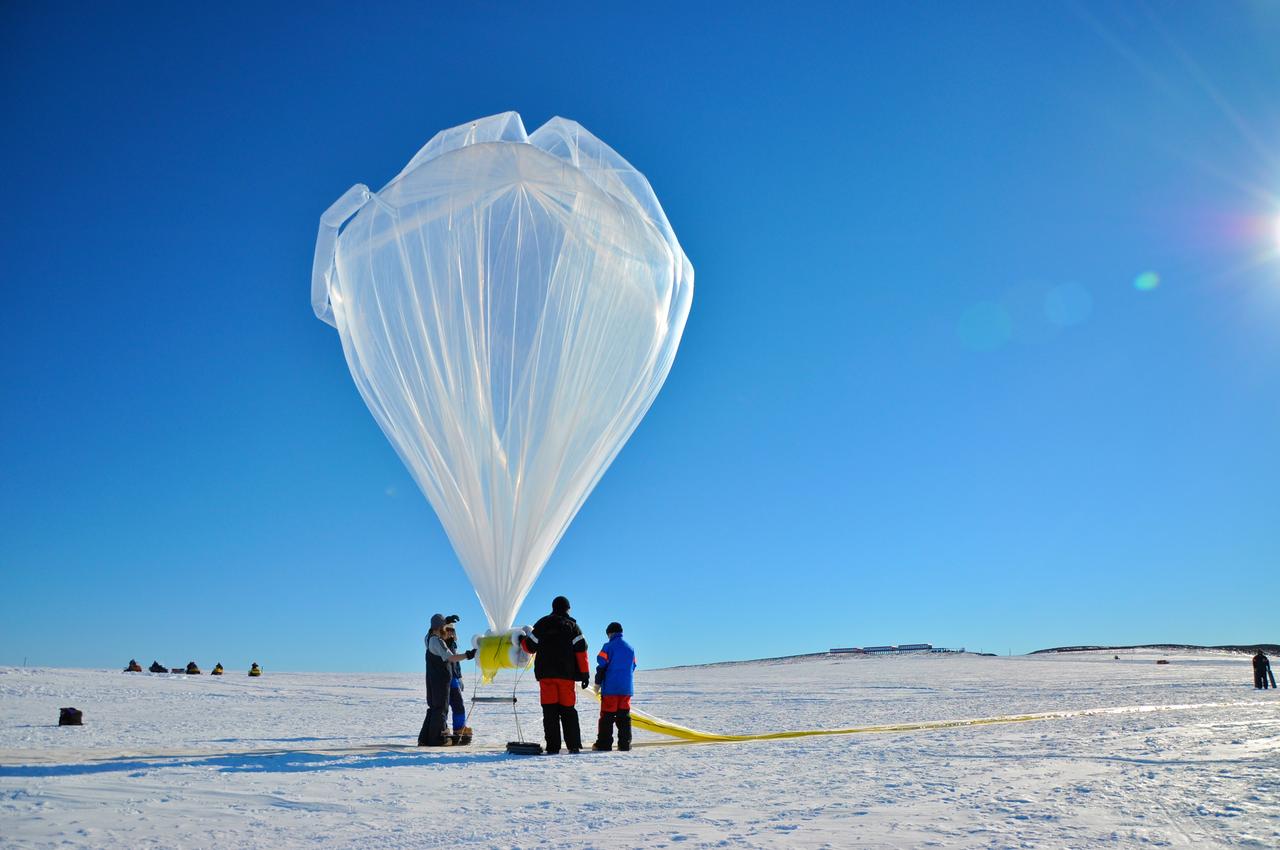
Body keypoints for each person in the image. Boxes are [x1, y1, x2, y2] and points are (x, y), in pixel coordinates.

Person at [519, 596, 589, 753]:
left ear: (553, 608)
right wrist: (585, 675)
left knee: (550, 711)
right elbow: (581, 652)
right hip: (566, 677)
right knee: (568, 710)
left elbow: (529, 647)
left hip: (546, 677)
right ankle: (574, 746)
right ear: (568, 609)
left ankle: (553, 747)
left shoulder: (542, 623)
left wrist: (522, 640)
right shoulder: (573, 627)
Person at [419, 613, 475, 746]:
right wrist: (468, 655)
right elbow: (451, 658)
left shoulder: (428, 638)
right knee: (440, 708)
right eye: (444, 626)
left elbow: (432, 631)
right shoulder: (437, 641)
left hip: (433, 679)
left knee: (434, 708)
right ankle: (437, 739)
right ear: (439, 627)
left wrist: (445, 621)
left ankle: (425, 738)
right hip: (440, 680)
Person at [592, 622, 636, 752]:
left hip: (611, 689)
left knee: (607, 717)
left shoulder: (608, 646)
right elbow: (633, 666)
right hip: (626, 689)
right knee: (624, 717)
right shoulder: (630, 648)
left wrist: (597, 683)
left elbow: (601, 664)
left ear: (610, 633)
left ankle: (603, 744)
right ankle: (625, 744)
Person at [443, 623, 472, 745]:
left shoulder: (452, 644)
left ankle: (459, 728)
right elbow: (452, 659)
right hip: (446, 678)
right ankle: (445, 728)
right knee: (445, 706)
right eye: (448, 630)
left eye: (452, 630)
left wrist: (459, 677)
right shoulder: (443, 643)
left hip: (453, 677)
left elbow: (456, 664)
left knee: (458, 704)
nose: (451, 632)